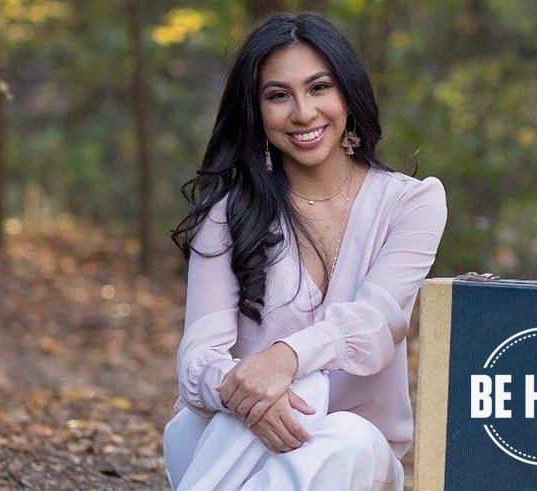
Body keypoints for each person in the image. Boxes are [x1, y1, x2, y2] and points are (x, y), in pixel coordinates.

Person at [164, 11, 447, 491]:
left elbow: (374, 324)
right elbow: (197, 361)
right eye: (279, 95)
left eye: (319, 88)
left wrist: (286, 360)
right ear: (255, 110)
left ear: (348, 94)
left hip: (353, 463)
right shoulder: (229, 213)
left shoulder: (410, 204)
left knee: (348, 435)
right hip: (233, 443)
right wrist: (253, 395)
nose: (303, 113)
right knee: (256, 402)